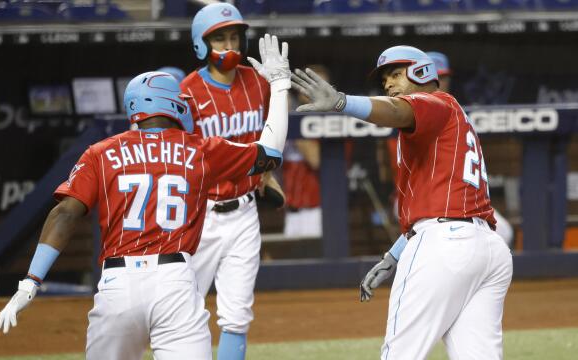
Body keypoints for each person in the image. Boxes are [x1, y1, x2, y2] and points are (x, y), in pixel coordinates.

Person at [0, 33, 291, 360]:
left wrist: (31, 282)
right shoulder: (200, 149)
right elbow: (270, 153)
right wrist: (279, 86)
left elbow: (65, 213)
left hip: (117, 284)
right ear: (171, 103)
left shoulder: (101, 152)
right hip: (175, 282)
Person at [291, 45, 513, 359]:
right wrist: (396, 253)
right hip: (486, 248)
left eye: (396, 74)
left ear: (422, 72)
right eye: (385, 80)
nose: (389, 84)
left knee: (399, 354)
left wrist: (343, 102)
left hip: (447, 245)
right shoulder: (452, 118)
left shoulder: (434, 102)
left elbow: (397, 111)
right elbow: (439, 204)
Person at [179, 4, 284, 359]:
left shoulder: (257, 81)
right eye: (220, 38)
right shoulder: (187, 92)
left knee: (237, 316)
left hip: (244, 214)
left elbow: (272, 136)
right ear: (201, 44)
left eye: (234, 37)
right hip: (200, 216)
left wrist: (267, 172)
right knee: (182, 312)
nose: (230, 45)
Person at [427, 51, 514, 247]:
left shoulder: (455, 108)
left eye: (443, 77)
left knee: (503, 232)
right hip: (424, 197)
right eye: (435, 78)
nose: (440, 82)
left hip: (458, 194)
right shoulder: (414, 114)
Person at [282, 64, 329, 238]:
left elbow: (316, 160)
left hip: (317, 211)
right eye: (305, 83)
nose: (308, 90)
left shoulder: (332, 120)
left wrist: (290, 119)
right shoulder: (289, 119)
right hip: (291, 210)